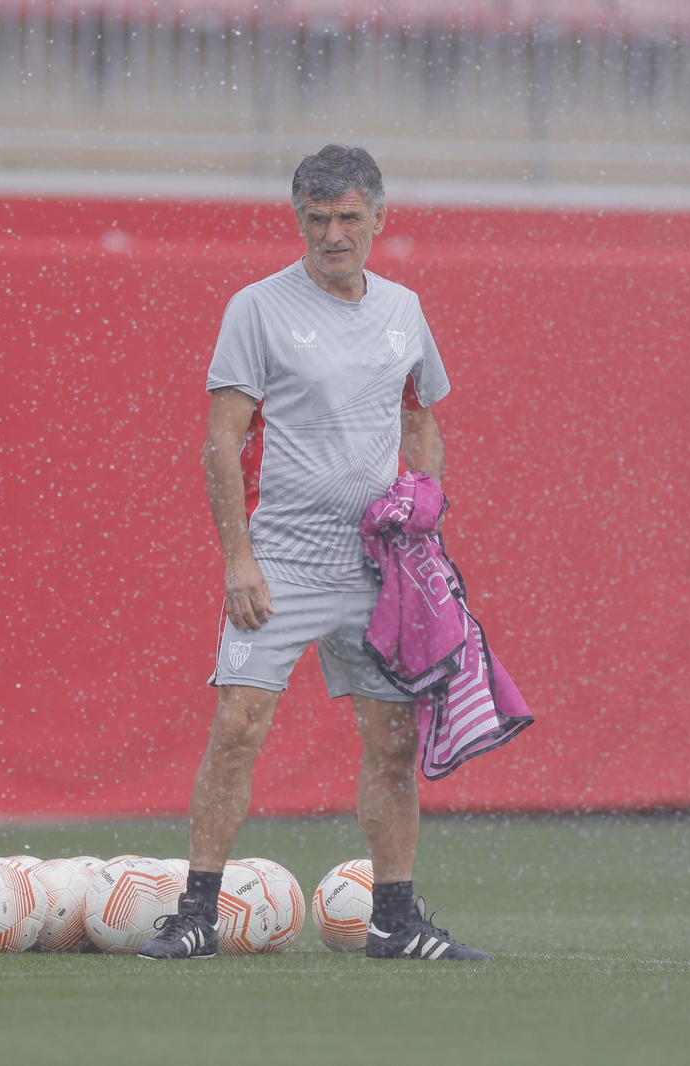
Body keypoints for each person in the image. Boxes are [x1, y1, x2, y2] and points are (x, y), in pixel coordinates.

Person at [138, 145, 492, 962]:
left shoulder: (404, 309)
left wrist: (425, 506)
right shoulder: (257, 309)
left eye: (349, 218)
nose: (334, 234)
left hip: (376, 570)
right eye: (318, 218)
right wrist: (239, 560)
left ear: (379, 219)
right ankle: (196, 915)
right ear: (297, 218)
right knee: (238, 725)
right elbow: (220, 446)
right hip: (283, 562)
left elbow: (420, 417)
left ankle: (394, 922)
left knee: (394, 739)